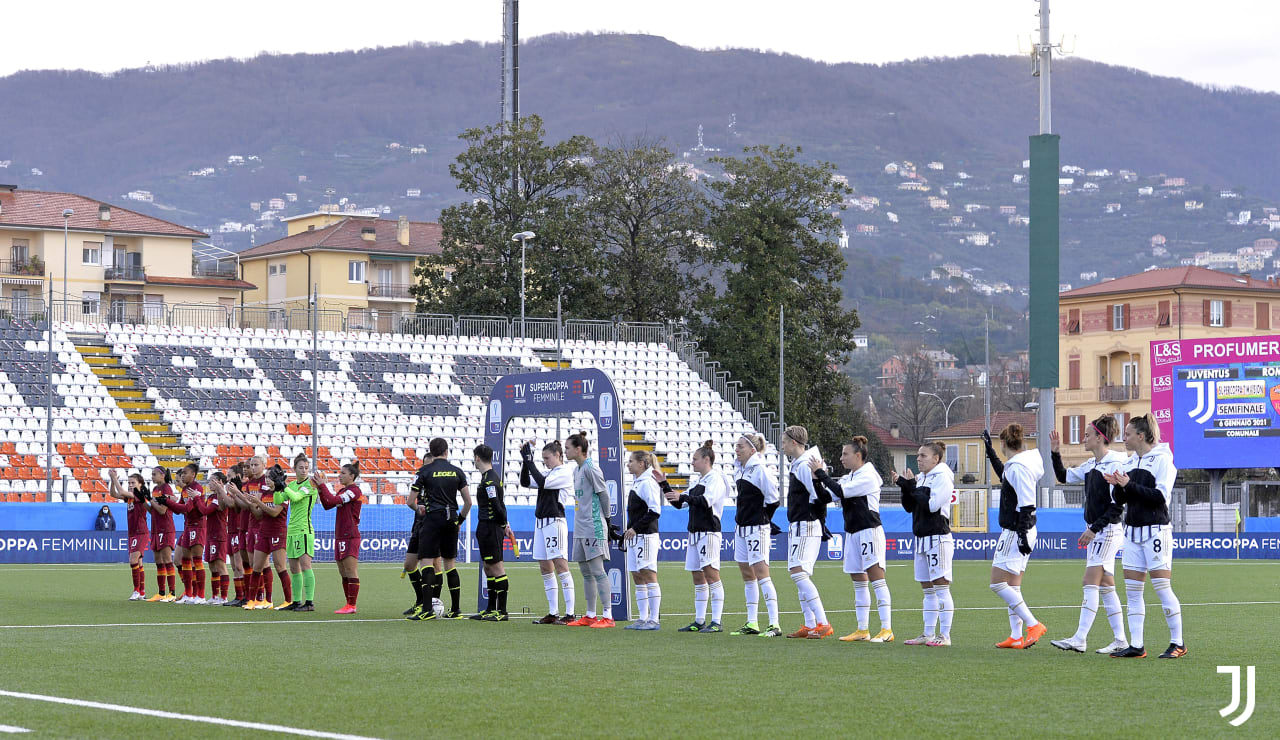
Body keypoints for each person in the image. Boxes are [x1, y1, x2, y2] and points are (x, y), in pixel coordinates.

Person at [1103, 414, 1185, 659]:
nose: (1124, 438)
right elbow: (1122, 500)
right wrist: (1118, 486)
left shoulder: (1163, 460)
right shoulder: (1129, 462)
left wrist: (1128, 485)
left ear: (1140, 436)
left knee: (1162, 588)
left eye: (1128, 434)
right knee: (1132, 591)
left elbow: (1160, 497)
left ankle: (1178, 643)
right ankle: (1137, 645)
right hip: (1132, 532)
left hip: (1156, 531)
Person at [1046, 416, 1130, 654]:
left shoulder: (1115, 464)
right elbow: (1063, 477)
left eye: (1087, 435)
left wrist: (1093, 529)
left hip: (1107, 530)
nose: (1083, 438)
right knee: (1106, 586)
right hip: (1099, 530)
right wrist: (1055, 452)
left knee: (1089, 582)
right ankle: (1121, 640)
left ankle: (1080, 638)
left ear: (1100, 438)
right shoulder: (1092, 464)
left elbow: (1117, 506)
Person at [813, 436, 893, 643]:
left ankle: (887, 629)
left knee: (877, 579)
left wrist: (821, 473)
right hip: (852, 532)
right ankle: (862, 629)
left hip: (869, 531)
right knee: (858, 580)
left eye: (845, 454)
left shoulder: (868, 476)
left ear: (858, 455)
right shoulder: (849, 476)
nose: (841, 458)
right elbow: (827, 496)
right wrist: (815, 479)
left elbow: (841, 491)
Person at [984, 424, 1048, 650]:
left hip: (1016, 530)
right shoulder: (1018, 465)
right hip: (1021, 528)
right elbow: (1005, 476)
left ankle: (1033, 624)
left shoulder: (1019, 468)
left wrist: (1021, 534)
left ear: (1004, 443)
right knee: (1013, 585)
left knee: (997, 583)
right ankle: (1016, 636)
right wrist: (991, 453)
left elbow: (1027, 504)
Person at [666, 440, 731, 634]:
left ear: (706, 459)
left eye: (695, 459)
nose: (692, 462)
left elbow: (705, 501)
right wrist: (663, 484)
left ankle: (716, 621)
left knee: (711, 575)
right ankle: (699, 620)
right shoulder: (698, 482)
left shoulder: (715, 479)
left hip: (708, 532)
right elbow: (679, 503)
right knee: (697, 576)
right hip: (695, 533)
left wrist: (683, 497)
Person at [895, 443, 954, 647]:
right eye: (918, 455)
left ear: (936, 459)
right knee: (927, 589)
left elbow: (932, 505)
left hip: (938, 537)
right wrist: (905, 487)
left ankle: (944, 635)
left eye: (923, 455)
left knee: (941, 587)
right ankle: (928, 633)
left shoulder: (943, 477)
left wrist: (912, 486)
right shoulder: (922, 478)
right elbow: (910, 507)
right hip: (921, 539)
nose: (918, 459)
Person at [406, 438, 472, 621]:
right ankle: (456, 609)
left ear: (431, 451)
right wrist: (459, 521)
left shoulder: (424, 471)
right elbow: (468, 502)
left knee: (427, 562)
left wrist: (418, 508)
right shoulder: (457, 471)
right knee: (449, 563)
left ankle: (427, 609)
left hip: (432, 519)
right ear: (446, 451)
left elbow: (410, 501)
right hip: (451, 519)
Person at [779, 425, 833, 640]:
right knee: (800, 574)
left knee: (798, 572)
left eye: (784, 442)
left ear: (794, 442)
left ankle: (822, 622)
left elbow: (818, 496)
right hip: (800, 524)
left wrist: (819, 521)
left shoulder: (803, 465)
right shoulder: (800, 464)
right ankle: (810, 624)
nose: (782, 446)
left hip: (806, 524)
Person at [729, 433, 782, 637]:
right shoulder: (740, 470)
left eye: (740, 446)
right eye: (736, 446)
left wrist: (764, 519)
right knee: (747, 575)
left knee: (762, 573)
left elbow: (773, 499)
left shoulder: (761, 470)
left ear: (752, 450)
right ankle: (752, 622)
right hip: (741, 528)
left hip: (757, 528)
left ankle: (774, 624)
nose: (737, 449)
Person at [521, 439, 577, 625]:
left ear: (558, 455)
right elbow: (526, 481)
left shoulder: (564, 472)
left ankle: (570, 614)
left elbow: (542, 482)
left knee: (561, 565)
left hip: (555, 521)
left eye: (547, 458)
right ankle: (553, 612)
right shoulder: (549, 472)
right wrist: (525, 461)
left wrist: (530, 460)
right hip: (541, 523)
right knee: (545, 567)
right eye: (543, 458)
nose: (545, 462)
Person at [564, 431, 615, 628]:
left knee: (597, 571)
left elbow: (604, 495)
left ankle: (608, 616)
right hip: (580, 527)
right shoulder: (576, 470)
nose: (565, 451)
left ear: (578, 449)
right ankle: (590, 615)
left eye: (568, 448)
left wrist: (607, 521)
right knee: (586, 572)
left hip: (593, 526)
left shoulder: (591, 468)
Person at [237, 463, 292, 610]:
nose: (267, 480)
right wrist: (252, 504)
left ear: (277, 479)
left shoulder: (283, 494)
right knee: (256, 566)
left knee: (280, 567)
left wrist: (258, 503)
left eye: (270, 477)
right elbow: (259, 515)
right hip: (263, 532)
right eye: (266, 477)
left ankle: (288, 600)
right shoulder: (265, 493)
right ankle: (251, 600)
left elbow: (274, 512)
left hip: (278, 533)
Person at [468, 446, 513, 621]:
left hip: (491, 527)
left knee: (497, 567)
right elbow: (501, 504)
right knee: (488, 568)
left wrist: (502, 525)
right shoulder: (488, 478)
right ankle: (490, 609)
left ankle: (502, 612)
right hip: (486, 526)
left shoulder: (490, 481)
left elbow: (497, 506)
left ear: (477, 458)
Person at [622, 450, 664, 630]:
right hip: (635, 537)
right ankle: (642, 618)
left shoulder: (648, 482)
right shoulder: (638, 482)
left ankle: (654, 619)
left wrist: (636, 528)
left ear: (641, 463)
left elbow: (655, 511)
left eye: (631, 461)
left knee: (648, 574)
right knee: (637, 575)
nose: (628, 464)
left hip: (645, 535)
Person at [274, 453, 320, 612]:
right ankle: (296, 601)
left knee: (305, 565)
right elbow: (278, 500)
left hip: (304, 530)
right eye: (301, 467)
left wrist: (284, 486)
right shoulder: (293, 484)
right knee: (294, 568)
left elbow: (295, 497)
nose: (304, 470)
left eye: (306, 467)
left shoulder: (310, 485)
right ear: (294, 469)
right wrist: (277, 487)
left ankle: (309, 602)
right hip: (292, 530)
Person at [317, 461, 364, 614]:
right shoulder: (343, 491)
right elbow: (327, 504)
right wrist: (320, 490)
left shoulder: (354, 491)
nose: (339, 475)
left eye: (343, 473)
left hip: (350, 535)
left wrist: (323, 485)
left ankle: (352, 605)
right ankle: (348, 604)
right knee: (343, 572)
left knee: (350, 570)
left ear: (352, 476)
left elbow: (333, 500)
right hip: (340, 535)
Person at [166, 463, 207, 605]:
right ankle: (189, 594)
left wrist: (167, 502)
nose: (182, 475)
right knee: (185, 561)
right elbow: (179, 509)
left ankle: (200, 596)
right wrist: (166, 502)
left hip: (198, 526)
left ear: (193, 475)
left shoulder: (197, 488)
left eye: (185, 473)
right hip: (188, 527)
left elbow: (188, 508)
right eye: (182, 473)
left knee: (197, 560)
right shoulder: (185, 489)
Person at [105, 470, 148, 600]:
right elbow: (113, 494)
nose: (130, 485)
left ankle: (136, 591)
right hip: (133, 533)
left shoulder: (139, 495)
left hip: (140, 532)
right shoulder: (130, 497)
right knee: (138, 562)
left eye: (133, 483)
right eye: (129, 483)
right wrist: (113, 481)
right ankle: (142, 592)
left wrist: (114, 478)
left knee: (133, 560)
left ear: (140, 484)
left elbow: (122, 492)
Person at [402, 450, 434, 616]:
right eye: (425, 465)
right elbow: (413, 501)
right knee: (409, 565)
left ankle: (432, 603)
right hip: (419, 524)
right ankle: (421, 600)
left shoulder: (439, 482)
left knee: (434, 565)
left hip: (433, 525)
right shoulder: (420, 478)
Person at [197, 472, 231, 605]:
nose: (209, 483)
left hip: (219, 535)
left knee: (220, 565)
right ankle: (215, 596)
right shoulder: (211, 497)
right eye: (209, 481)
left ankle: (224, 597)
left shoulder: (221, 497)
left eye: (212, 481)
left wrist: (196, 499)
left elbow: (205, 511)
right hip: (210, 534)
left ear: (220, 482)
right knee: (212, 565)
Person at [143, 466, 177, 602]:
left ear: (162, 475)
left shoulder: (166, 488)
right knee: (158, 561)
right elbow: (153, 511)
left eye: (154, 474)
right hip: (156, 528)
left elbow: (162, 510)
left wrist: (150, 500)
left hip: (165, 528)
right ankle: (161, 592)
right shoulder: (155, 489)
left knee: (167, 560)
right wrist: (144, 500)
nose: (152, 477)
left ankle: (172, 593)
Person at [225, 462, 251, 606]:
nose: (227, 479)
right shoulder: (232, 490)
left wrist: (232, 492)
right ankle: (239, 595)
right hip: (231, 529)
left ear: (238, 476)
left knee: (240, 565)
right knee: (235, 566)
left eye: (230, 476)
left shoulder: (243, 488)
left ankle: (247, 595)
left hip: (239, 528)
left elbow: (233, 505)